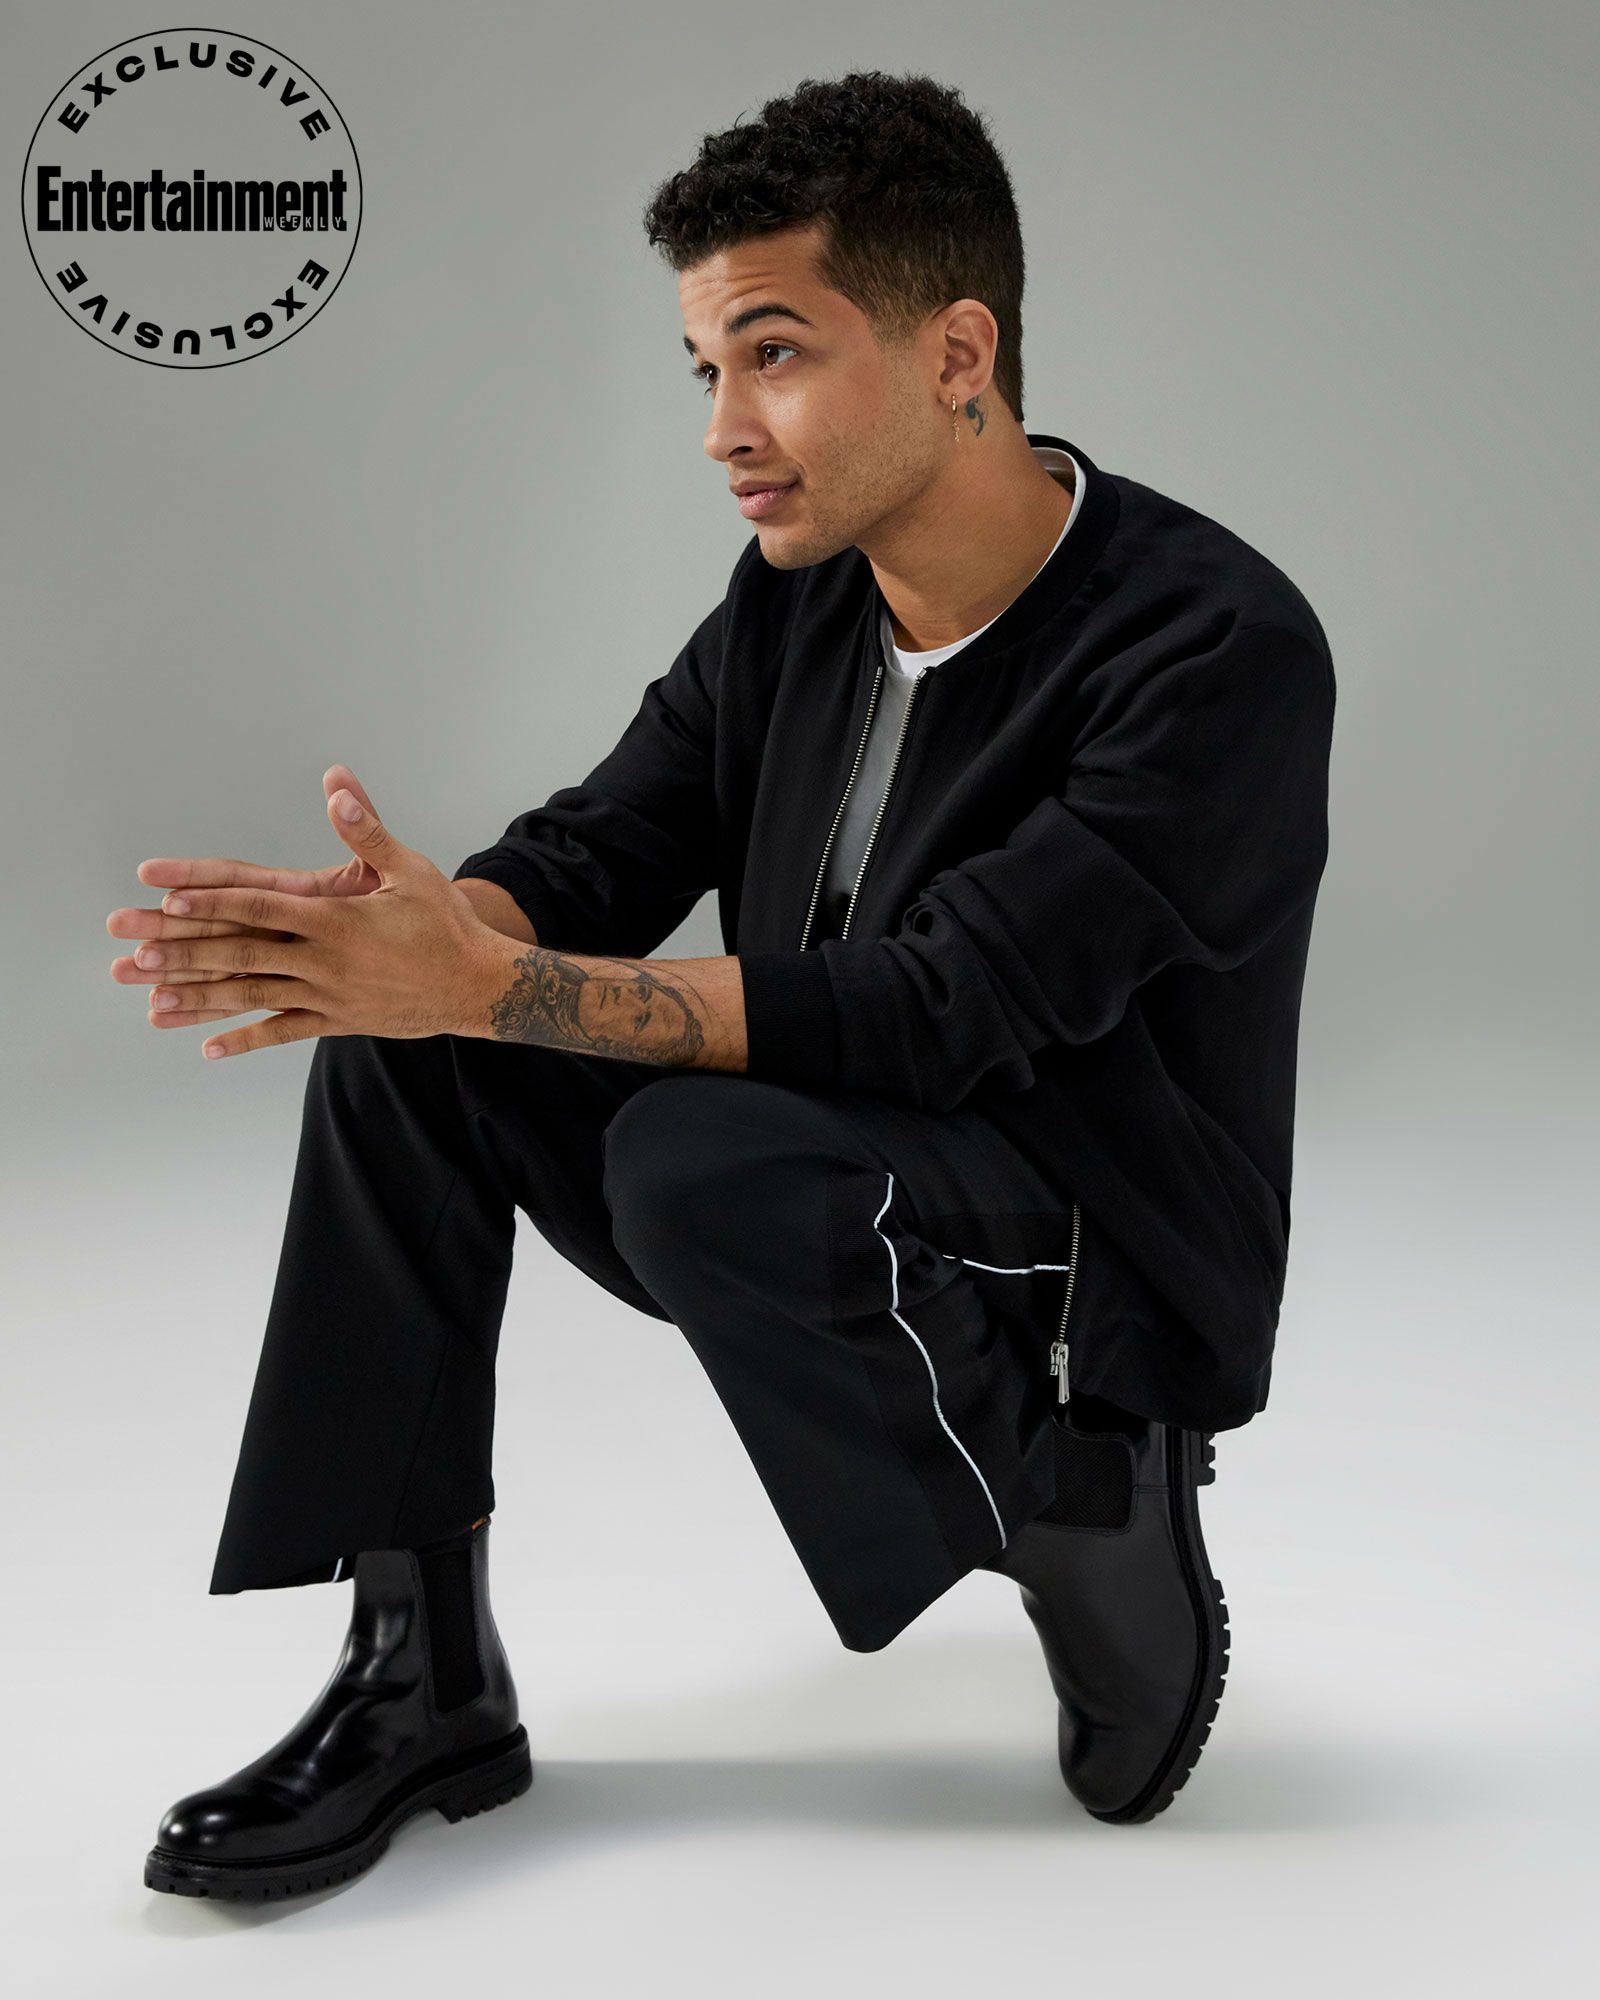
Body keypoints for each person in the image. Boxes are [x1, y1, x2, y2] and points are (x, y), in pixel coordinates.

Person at [115, 70, 1334, 1901]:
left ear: (957, 354)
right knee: (403, 1055)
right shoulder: (800, 592)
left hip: (1089, 1234)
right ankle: (420, 1677)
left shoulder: (1215, 644)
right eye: (705, 369)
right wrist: (425, 941)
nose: (721, 430)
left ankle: (1085, 1496)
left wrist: (490, 986)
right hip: (827, 1157)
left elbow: (950, 1003)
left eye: (773, 355)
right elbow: (610, 839)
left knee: (693, 1154)